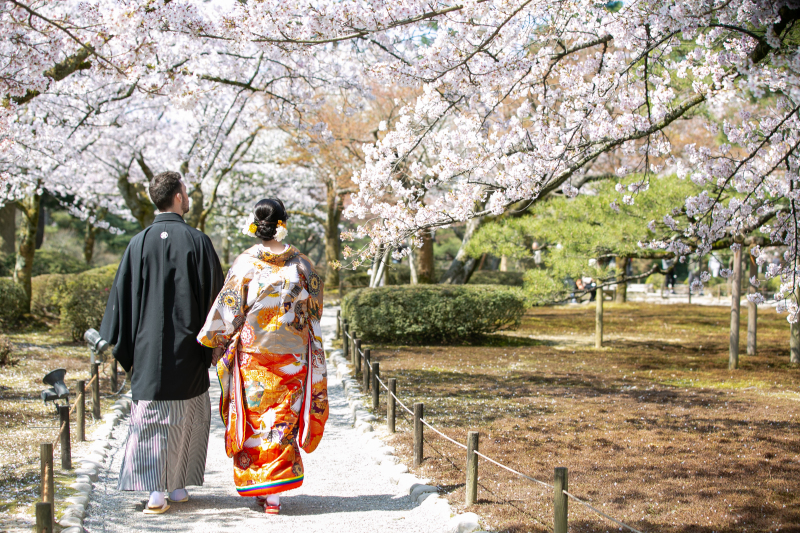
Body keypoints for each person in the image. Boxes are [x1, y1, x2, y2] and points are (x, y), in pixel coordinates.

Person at [99, 171, 224, 514]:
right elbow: (218, 299)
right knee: (186, 416)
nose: (188, 197)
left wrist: (115, 339)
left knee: (152, 418)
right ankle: (179, 485)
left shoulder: (138, 242)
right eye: (186, 192)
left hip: (147, 348)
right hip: (189, 347)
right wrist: (214, 347)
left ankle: (156, 491)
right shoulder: (198, 241)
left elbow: (121, 299)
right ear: (179, 197)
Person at [197, 199, 328, 515]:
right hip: (293, 357)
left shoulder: (245, 264)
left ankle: (264, 489)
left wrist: (213, 342)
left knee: (256, 422)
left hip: (254, 358)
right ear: (284, 222)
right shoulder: (304, 266)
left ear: (255, 225)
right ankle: (275, 495)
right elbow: (315, 310)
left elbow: (228, 309)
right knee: (282, 422)